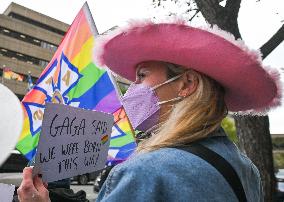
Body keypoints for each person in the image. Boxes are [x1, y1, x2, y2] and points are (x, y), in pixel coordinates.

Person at [17, 20, 282, 202]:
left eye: (141, 76)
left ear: (187, 84)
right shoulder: (247, 167)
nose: (132, 90)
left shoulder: (145, 171)